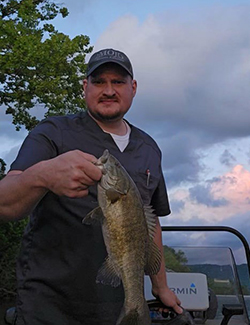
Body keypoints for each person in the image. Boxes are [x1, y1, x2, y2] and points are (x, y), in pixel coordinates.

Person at [0, 48, 182, 324]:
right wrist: (42, 175)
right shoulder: (53, 132)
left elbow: (150, 222)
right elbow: (4, 204)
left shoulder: (149, 149)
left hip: (117, 307)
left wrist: (160, 286)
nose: (108, 90)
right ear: (85, 87)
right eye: (99, 82)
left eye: (118, 82)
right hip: (49, 304)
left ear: (133, 88)